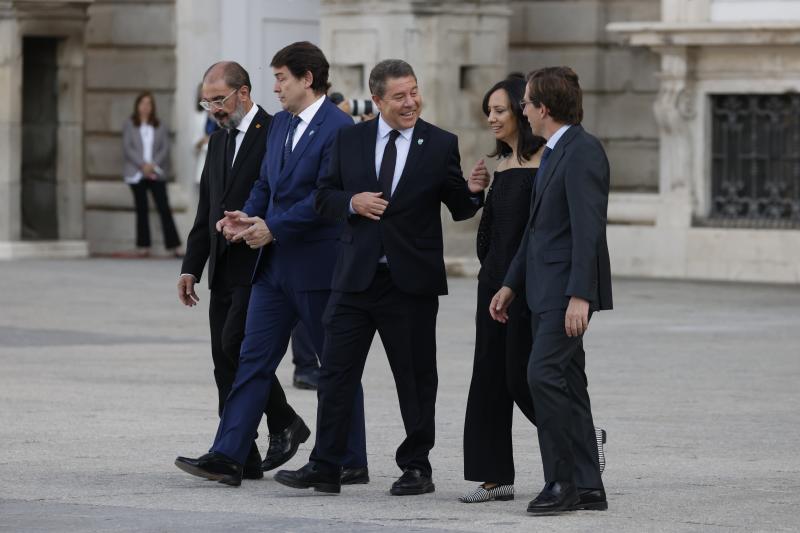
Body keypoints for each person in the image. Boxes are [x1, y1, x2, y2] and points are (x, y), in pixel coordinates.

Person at [274, 59, 489, 496]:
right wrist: (351, 202)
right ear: (376, 100)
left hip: (409, 284)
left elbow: (459, 206)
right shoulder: (350, 140)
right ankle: (327, 466)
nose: (411, 102)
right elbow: (323, 197)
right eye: (399, 96)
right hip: (354, 278)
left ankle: (416, 467)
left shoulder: (440, 143)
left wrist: (474, 191)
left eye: (414, 92)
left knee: (414, 378)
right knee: (334, 374)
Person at [175, 42, 368, 487]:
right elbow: (265, 184)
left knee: (334, 364)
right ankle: (228, 454)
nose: (276, 86)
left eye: (282, 77)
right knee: (251, 358)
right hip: (272, 268)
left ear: (307, 78)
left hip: (318, 267)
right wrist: (247, 217)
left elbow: (323, 197)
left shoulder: (339, 128)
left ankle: (350, 457)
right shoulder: (280, 125)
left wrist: (273, 227)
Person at [460, 76, 607, 504]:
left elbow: (588, 230)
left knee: (540, 374)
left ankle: (563, 484)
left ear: (542, 108)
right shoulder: (560, 152)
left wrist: (582, 293)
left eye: (522, 104)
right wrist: (508, 284)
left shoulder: (581, 151)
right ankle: (588, 485)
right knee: (565, 381)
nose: (520, 111)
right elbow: (536, 233)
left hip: (562, 292)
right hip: (532, 286)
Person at [177, 61, 308, 481]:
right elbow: (206, 211)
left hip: (260, 262)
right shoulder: (217, 142)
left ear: (244, 93)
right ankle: (244, 453)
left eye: (219, 99)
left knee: (238, 346)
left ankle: (278, 424)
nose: (213, 108)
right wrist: (191, 268)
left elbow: (282, 195)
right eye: (207, 101)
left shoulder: (275, 133)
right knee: (223, 357)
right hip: (223, 266)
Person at [122, 91, 181, 257]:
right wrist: (142, 165)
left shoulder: (160, 125)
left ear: (152, 107)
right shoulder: (129, 124)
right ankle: (143, 246)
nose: (145, 107)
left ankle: (174, 246)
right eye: (143, 103)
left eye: (149, 103)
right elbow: (128, 148)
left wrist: (152, 165)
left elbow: (165, 148)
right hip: (136, 173)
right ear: (137, 106)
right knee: (142, 208)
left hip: (156, 172)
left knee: (164, 208)